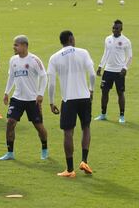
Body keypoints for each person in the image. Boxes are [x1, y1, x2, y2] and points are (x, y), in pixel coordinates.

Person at [48, 31, 96, 178]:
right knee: (86, 127)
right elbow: (93, 74)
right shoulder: (83, 52)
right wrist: (91, 90)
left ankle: (69, 170)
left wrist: (51, 101)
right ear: (71, 39)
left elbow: (51, 83)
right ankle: (84, 160)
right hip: (84, 97)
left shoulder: (54, 58)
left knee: (68, 132)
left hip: (68, 99)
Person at [0, 35, 48, 161]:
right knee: (10, 123)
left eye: (16, 45)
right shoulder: (13, 60)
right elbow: (11, 77)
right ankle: (10, 153)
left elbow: (44, 76)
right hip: (17, 98)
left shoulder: (34, 60)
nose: (13, 47)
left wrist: (40, 94)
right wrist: (6, 92)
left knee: (39, 127)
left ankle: (44, 149)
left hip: (32, 100)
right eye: (14, 44)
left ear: (24, 46)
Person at [94, 20, 132, 123]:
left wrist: (125, 68)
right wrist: (100, 66)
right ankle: (103, 114)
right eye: (113, 28)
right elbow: (105, 53)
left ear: (121, 29)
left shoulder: (126, 41)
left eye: (117, 28)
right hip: (108, 70)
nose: (114, 30)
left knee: (120, 93)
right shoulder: (107, 39)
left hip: (119, 71)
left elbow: (129, 56)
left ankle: (122, 116)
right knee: (104, 92)